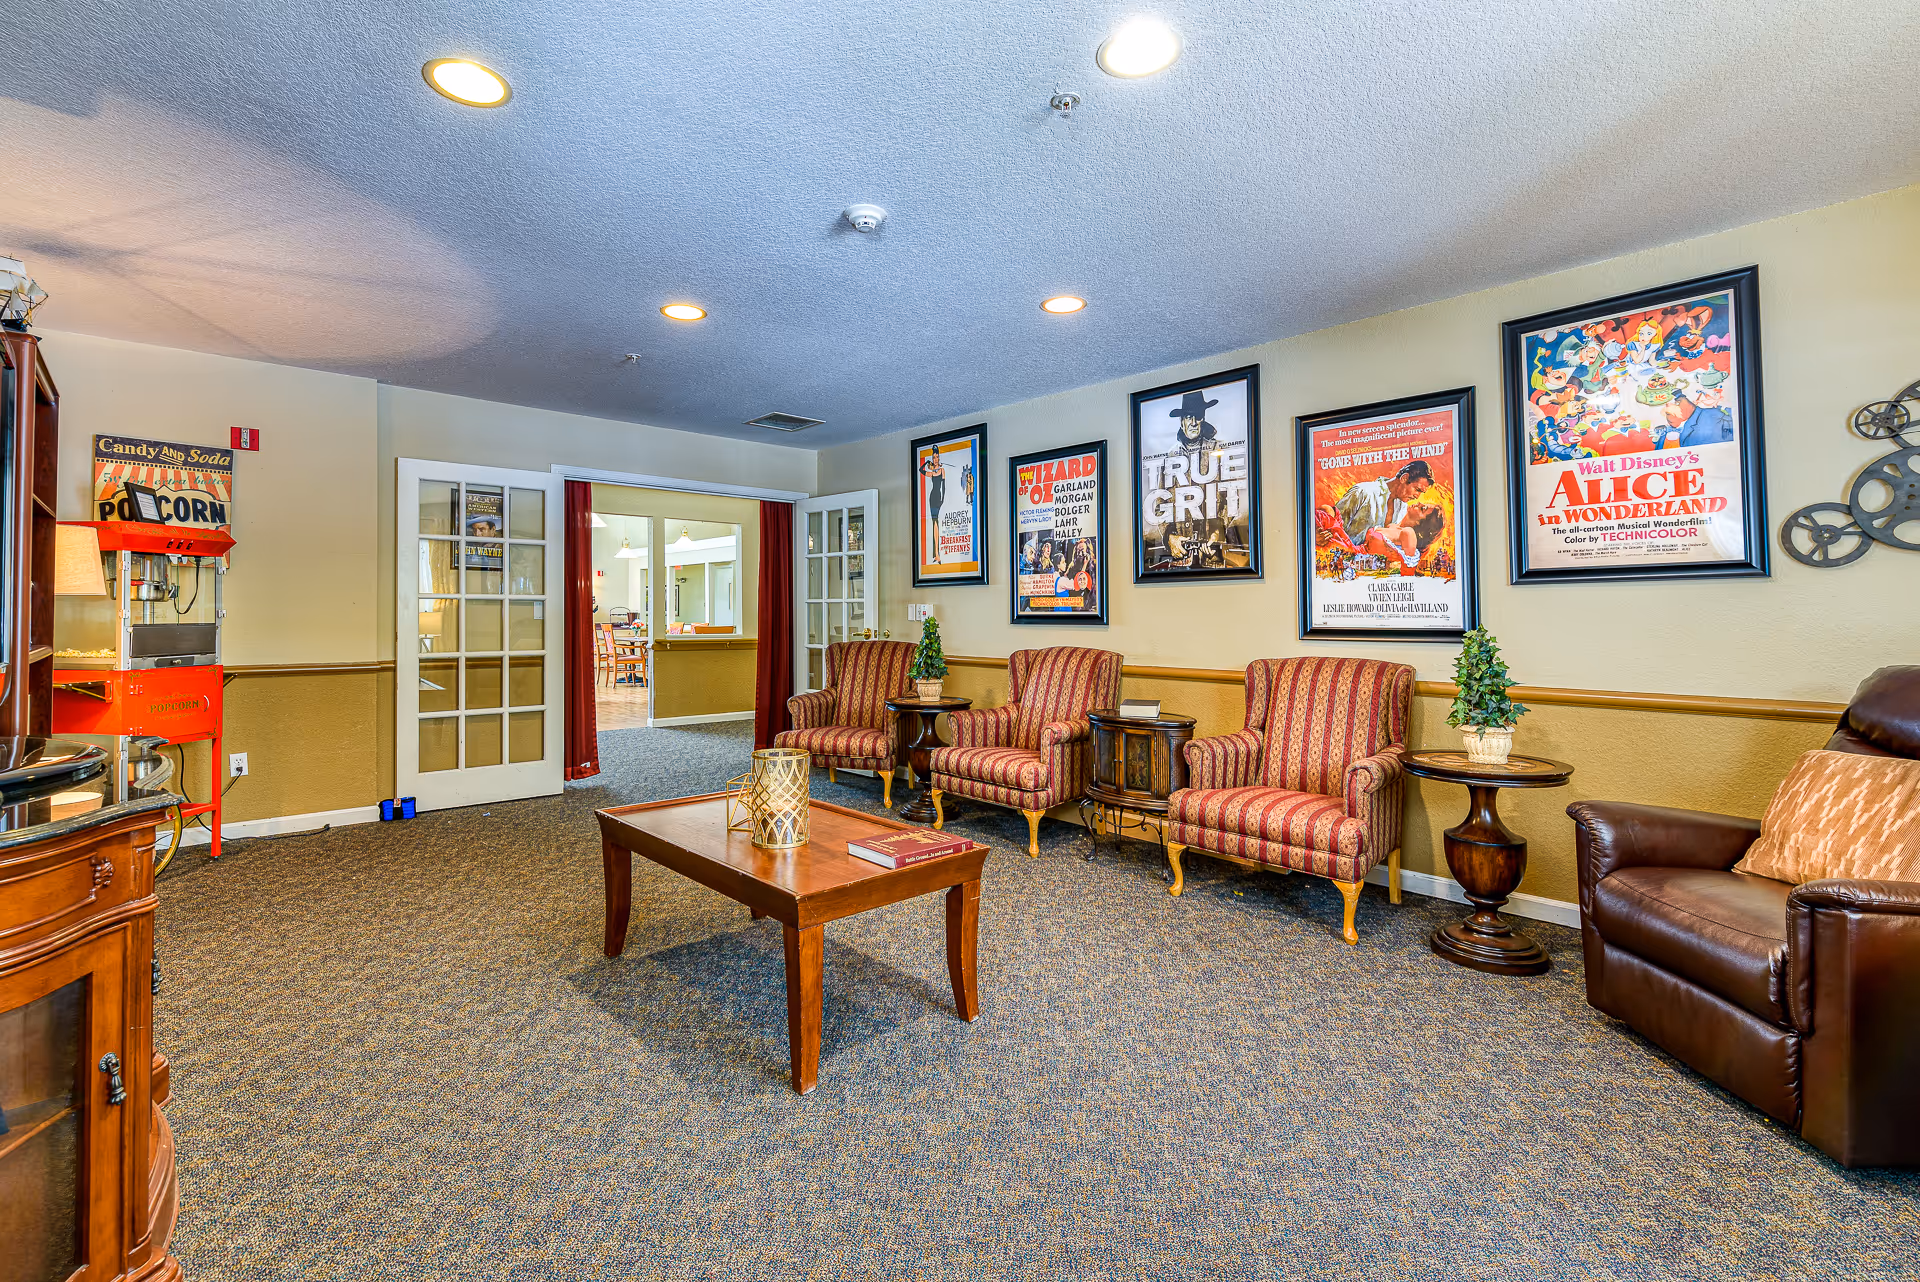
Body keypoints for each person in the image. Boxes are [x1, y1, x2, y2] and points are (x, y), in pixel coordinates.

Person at [1328, 459, 1433, 547]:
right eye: (1417, 489)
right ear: (1404, 478)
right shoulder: (1363, 492)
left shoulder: (1402, 507)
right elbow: (1332, 527)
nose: (1417, 496)